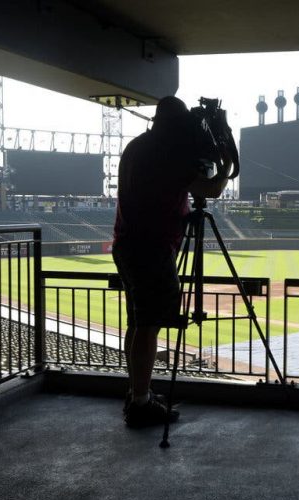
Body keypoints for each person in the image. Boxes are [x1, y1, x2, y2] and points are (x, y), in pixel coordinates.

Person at [112, 96, 229, 428]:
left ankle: (138, 392)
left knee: (137, 323)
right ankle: (140, 403)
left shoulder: (136, 147)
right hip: (151, 249)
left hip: (127, 244)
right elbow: (211, 188)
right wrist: (225, 169)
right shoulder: (168, 151)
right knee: (148, 327)